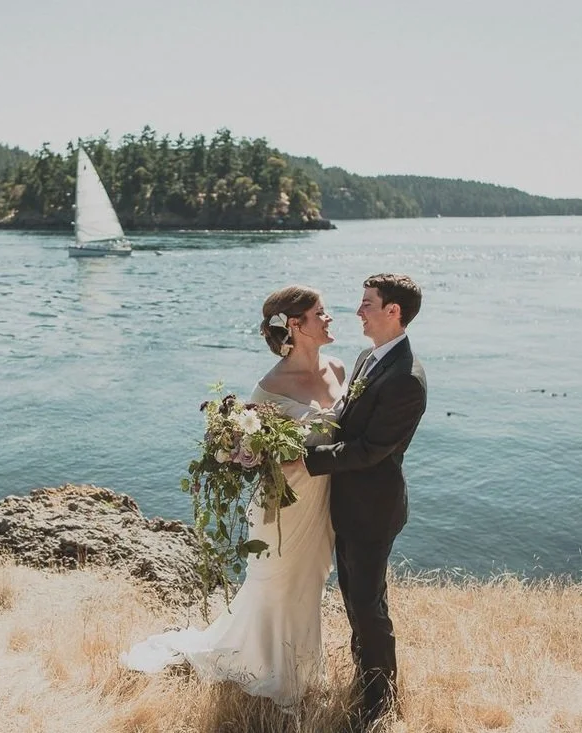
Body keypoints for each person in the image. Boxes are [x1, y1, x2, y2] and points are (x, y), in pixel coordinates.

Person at [121, 285, 343, 707]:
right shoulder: (270, 386)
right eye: (321, 312)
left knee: (310, 583)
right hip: (280, 506)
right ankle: (271, 674)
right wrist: (245, 447)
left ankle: (302, 670)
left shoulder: (340, 368)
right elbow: (254, 452)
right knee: (275, 586)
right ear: (295, 325)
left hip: (321, 504)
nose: (330, 317)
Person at [301, 273, 427, 729]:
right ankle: (365, 678)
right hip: (351, 504)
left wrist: (304, 458)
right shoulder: (367, 357)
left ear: (393, 311)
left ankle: (379, 701)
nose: (358, 311)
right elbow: (345, 423)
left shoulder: (406, 379)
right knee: (354, 596)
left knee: (369, 605)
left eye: (367, 304)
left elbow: (371, 450)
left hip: (373, 510)